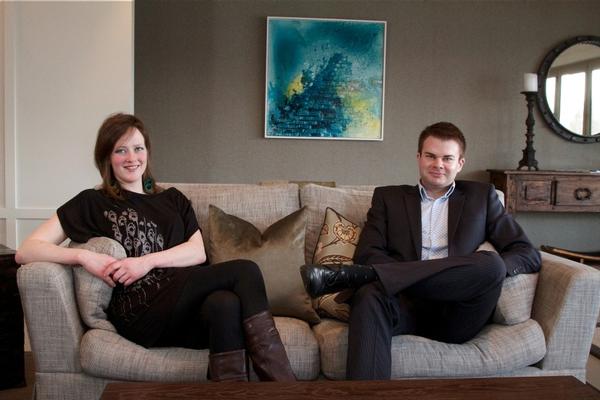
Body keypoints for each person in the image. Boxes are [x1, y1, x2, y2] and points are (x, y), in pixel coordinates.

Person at [16, 112, 295, 382]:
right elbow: (27, 250)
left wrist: (146, 261)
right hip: (139, 309)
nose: (131, 158)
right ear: (106, 158)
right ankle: (284, 388)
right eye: (120, 150)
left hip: (183, 309)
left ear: (147, 152)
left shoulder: (173, 199)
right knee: (245, 270)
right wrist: (82, 256)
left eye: (138, 148)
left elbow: (197, 252)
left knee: (226, 305)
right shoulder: (93, 202)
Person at [300, 121, 541, 380]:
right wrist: (407, 281)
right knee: (369, 294)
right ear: (418, 158)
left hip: (458, 311)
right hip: (403, 305)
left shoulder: (482, 197)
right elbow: (368, 254)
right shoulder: (389, 199)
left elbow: (527, 252)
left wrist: (488, 271)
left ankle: (358, 276)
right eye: (431, 156)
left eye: (447, 158)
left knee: (492, 265)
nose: (438, 164)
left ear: (460, 163)